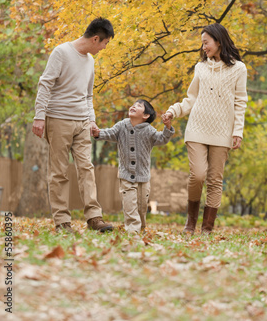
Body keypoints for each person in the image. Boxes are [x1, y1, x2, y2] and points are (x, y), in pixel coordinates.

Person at [162, 23, 248, 234]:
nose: (203, 48)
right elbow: (191, 98)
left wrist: (238, 131)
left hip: (223, 131)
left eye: (206, 43)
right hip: (197, 128)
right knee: (198, 175)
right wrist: (173, 111)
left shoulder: (239, 68)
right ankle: (190, 222)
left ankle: (207, 228)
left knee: (215, 180)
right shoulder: (201, 67)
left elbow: (240, 102)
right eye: (202, 44)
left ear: (218, 41)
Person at [32, 17, 115, 234]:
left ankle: (94, 217)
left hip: (82, 122)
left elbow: (88, 96)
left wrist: (92, 120)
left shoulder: (90, 61)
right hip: (58, 119)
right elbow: (45, 84)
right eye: (105, 43)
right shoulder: (61, 52)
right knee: (59, 171)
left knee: (86, 168)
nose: (105, 48)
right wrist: (39, 116)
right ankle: (62, 221)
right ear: (96, 38)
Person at [93, 99, 174, 234]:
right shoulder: (122, 125)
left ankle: (140, 229)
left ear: (146, 116)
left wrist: (168, 127)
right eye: (133, 105)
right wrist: (98, 133)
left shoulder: (149, 130)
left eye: (139, 106)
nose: (134, 106)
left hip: (143, 177)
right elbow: (110, 133)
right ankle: (132, 231)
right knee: (129, 205)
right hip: (126, 175)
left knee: (141, 208)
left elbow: (162, 139)